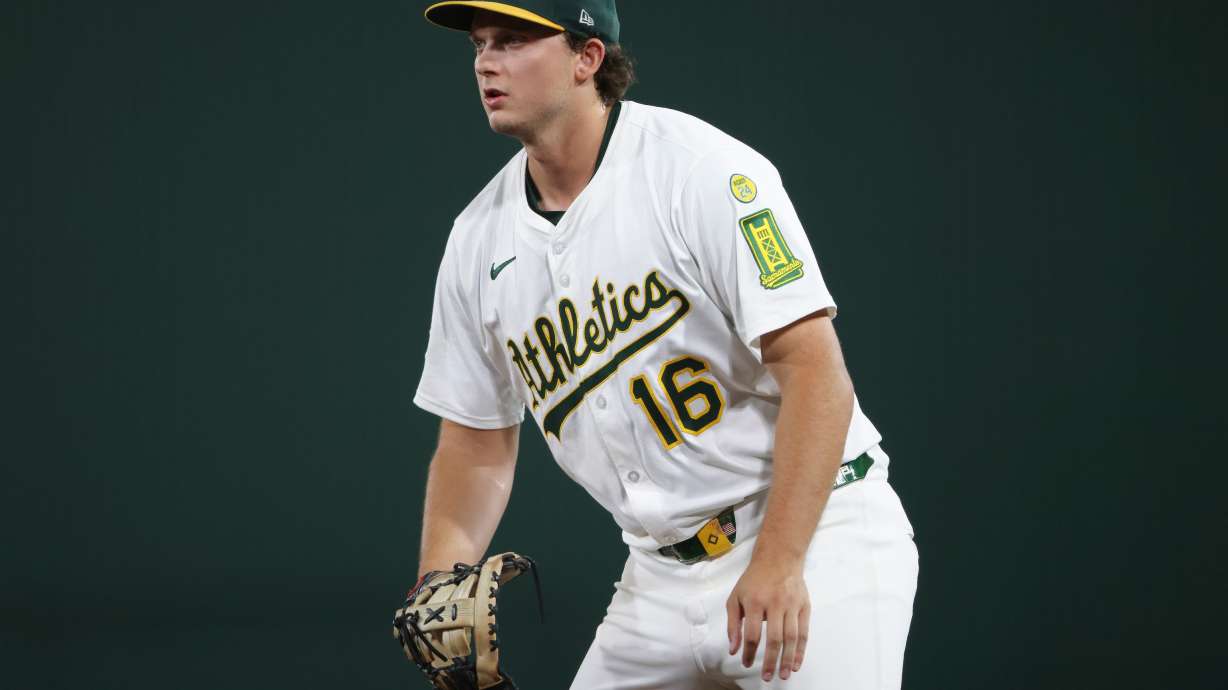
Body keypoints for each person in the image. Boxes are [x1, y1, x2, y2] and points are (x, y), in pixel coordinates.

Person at [411, 2, 918, 687]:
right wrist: (439, 579)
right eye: (479, 43)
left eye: (513, 39)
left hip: (817, 532)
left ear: (588, 57)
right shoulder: (477, 240)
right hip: (658, 575)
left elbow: (815, 372)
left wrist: (780, 561)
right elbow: (476, 441)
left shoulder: (699, 172)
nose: (485, 60)